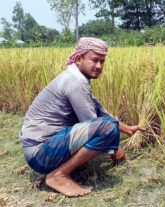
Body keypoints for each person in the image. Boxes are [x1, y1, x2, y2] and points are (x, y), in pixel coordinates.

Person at [19, 37, 144, 197]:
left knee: (108, 125)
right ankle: (59, 175)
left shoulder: (75, 77)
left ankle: (61, 170)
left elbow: (98, 109)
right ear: (79, 59)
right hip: (41, 154)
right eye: (94, 60)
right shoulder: (76, 82)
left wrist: (127, 129)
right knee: (108, 128)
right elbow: (94, 123)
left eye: (102, 61)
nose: (99, 66)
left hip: (42, 148)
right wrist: (114, 149)